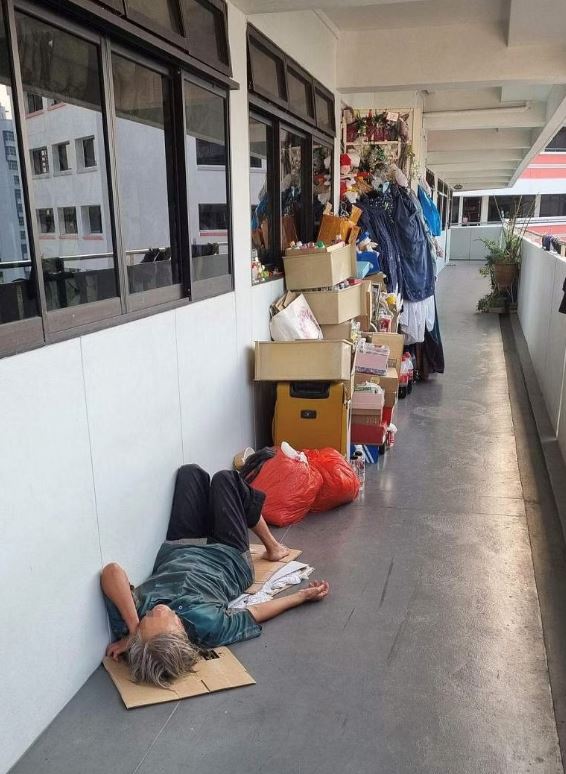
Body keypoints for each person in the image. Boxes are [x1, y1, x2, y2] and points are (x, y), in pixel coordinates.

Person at [101, 464, 329, 687]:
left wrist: (133, 629)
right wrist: (301, 597)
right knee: (225, 479)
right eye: (166, 617)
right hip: (227, 558)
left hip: (180, 548)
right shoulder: (208, 628)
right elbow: (255, 612)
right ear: (181, 634)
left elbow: (112, 571)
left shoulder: (133, 621)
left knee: (190, 473)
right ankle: (273, 546)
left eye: (147, 618)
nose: (158, 609)